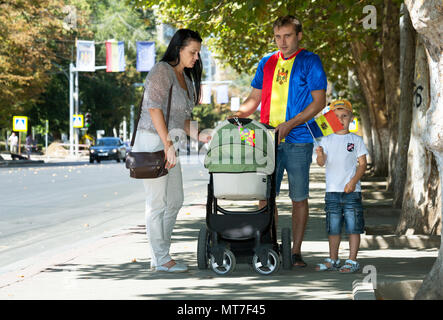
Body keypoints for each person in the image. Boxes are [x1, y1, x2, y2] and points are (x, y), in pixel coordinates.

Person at [231, 15, 327, 267]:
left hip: (298, 139)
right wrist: (239, 114)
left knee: (298, 197)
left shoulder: (310, 61)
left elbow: (319, 102)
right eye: (277, 37)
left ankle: (295, 252)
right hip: (266, 139)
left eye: (287, 36)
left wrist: (289, 124)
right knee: (264, 196)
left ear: (298, 36)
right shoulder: (266, 62)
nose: (282, 42)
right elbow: (254, 99)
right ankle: (268, 246)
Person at [132, 29, 203, 273]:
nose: (196, 57)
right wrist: (168, 145)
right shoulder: (162, 71)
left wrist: (202, 134)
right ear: (178, 49)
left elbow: (181, 119)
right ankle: (161, 258)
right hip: (153, 141)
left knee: (175, 199)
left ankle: (159, 254)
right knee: (157, 202)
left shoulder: (187, 78)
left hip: (169, 142)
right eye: (192, 52)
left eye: (197, 53)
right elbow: (154, 109)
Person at [314, 99, 368, 273]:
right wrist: (320, 154)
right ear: (330, 119)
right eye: (336, 116)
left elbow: (362, 164)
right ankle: (333, 258)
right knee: (333, 227)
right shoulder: (326, 140)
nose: (341, 119)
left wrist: (353, 181)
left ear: (351, 117)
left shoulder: (356, 140)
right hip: (332, 191)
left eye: (344, 116)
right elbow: (321, 163)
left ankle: (352, 260)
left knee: (354, 227)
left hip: (352, 191)